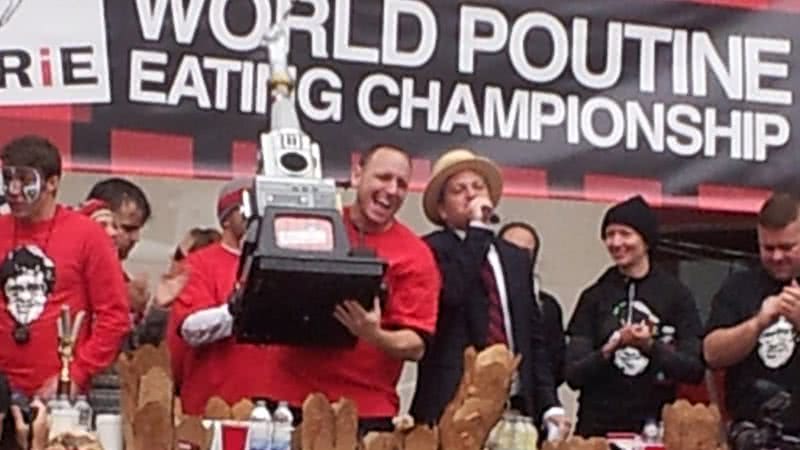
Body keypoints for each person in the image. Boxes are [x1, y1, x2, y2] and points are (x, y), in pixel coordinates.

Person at [256, 144, 440, 434]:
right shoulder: (314, 223)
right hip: (286, 400)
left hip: (364, 410)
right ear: (357, 175)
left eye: (401, 184)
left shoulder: (416, 255)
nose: (391, 190)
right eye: (383, 177)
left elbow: (416, 346)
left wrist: (374, 335)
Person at [410, 148, 569, 436]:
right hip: (454, 404)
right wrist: (477, 231)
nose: (471, 195)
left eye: (478, 187)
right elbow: (453, 292)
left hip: (514, 405)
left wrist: (550, 404)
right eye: (459, 190)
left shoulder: (514, 258)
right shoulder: (431, 249)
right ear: (443, 210)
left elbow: (533, 339)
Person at [0, 135, 130, 399]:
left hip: (60, 392)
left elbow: (114, 316)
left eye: (25, 180)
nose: (13, 190)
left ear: (52, 183)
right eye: (7, 178)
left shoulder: (88, 236)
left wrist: (76, 374)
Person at [565, 195, 705, 437]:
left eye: (625, 234)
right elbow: (573, 375)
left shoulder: (676, 295)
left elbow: (694, 370)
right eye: (610, 235)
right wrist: (608, 349)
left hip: (654, 427)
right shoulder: (594, 295)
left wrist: (650, 346)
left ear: (646, 240)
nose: (616, 242)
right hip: (598, 428)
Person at [168, 178, 278, 411]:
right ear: (226, 219)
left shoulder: (280, 264)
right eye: (246, 208)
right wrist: (237, 310)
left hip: (272, 405)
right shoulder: (199, 263)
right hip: (213, 404)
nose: (257, 215)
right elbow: (189, 328)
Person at [704, 193, 800, 432]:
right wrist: (757, 324)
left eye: (787, 247)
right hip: (752, 430)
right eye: (768, 248)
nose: (777, 256)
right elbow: (711, 354)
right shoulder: (739, 286)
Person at [499, 221, 566, 387]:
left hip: (529, 402)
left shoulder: (547, 306)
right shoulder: (483, 298)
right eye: (510, 249)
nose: (516, 258)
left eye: (525, 253)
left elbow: (556, 364)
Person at [85, 178, 152, 319]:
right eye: (128, 228)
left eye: (137, 229)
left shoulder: (122, 277)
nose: (136, 238)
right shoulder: (69, 265)